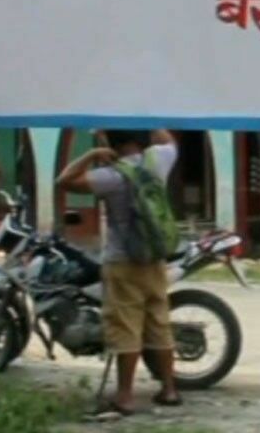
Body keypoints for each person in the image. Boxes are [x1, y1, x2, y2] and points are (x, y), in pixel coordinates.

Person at [56, 129, 181, 416]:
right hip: (155, 257)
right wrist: (142, 117)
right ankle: (170, 389)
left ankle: (124, 396)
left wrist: (93, 154)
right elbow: (169, 140)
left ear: (112, 144)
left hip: (122, 260)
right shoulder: (158, 161)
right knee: (159, 323)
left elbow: (64, 181)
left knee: (126, 327)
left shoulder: (111, 176)